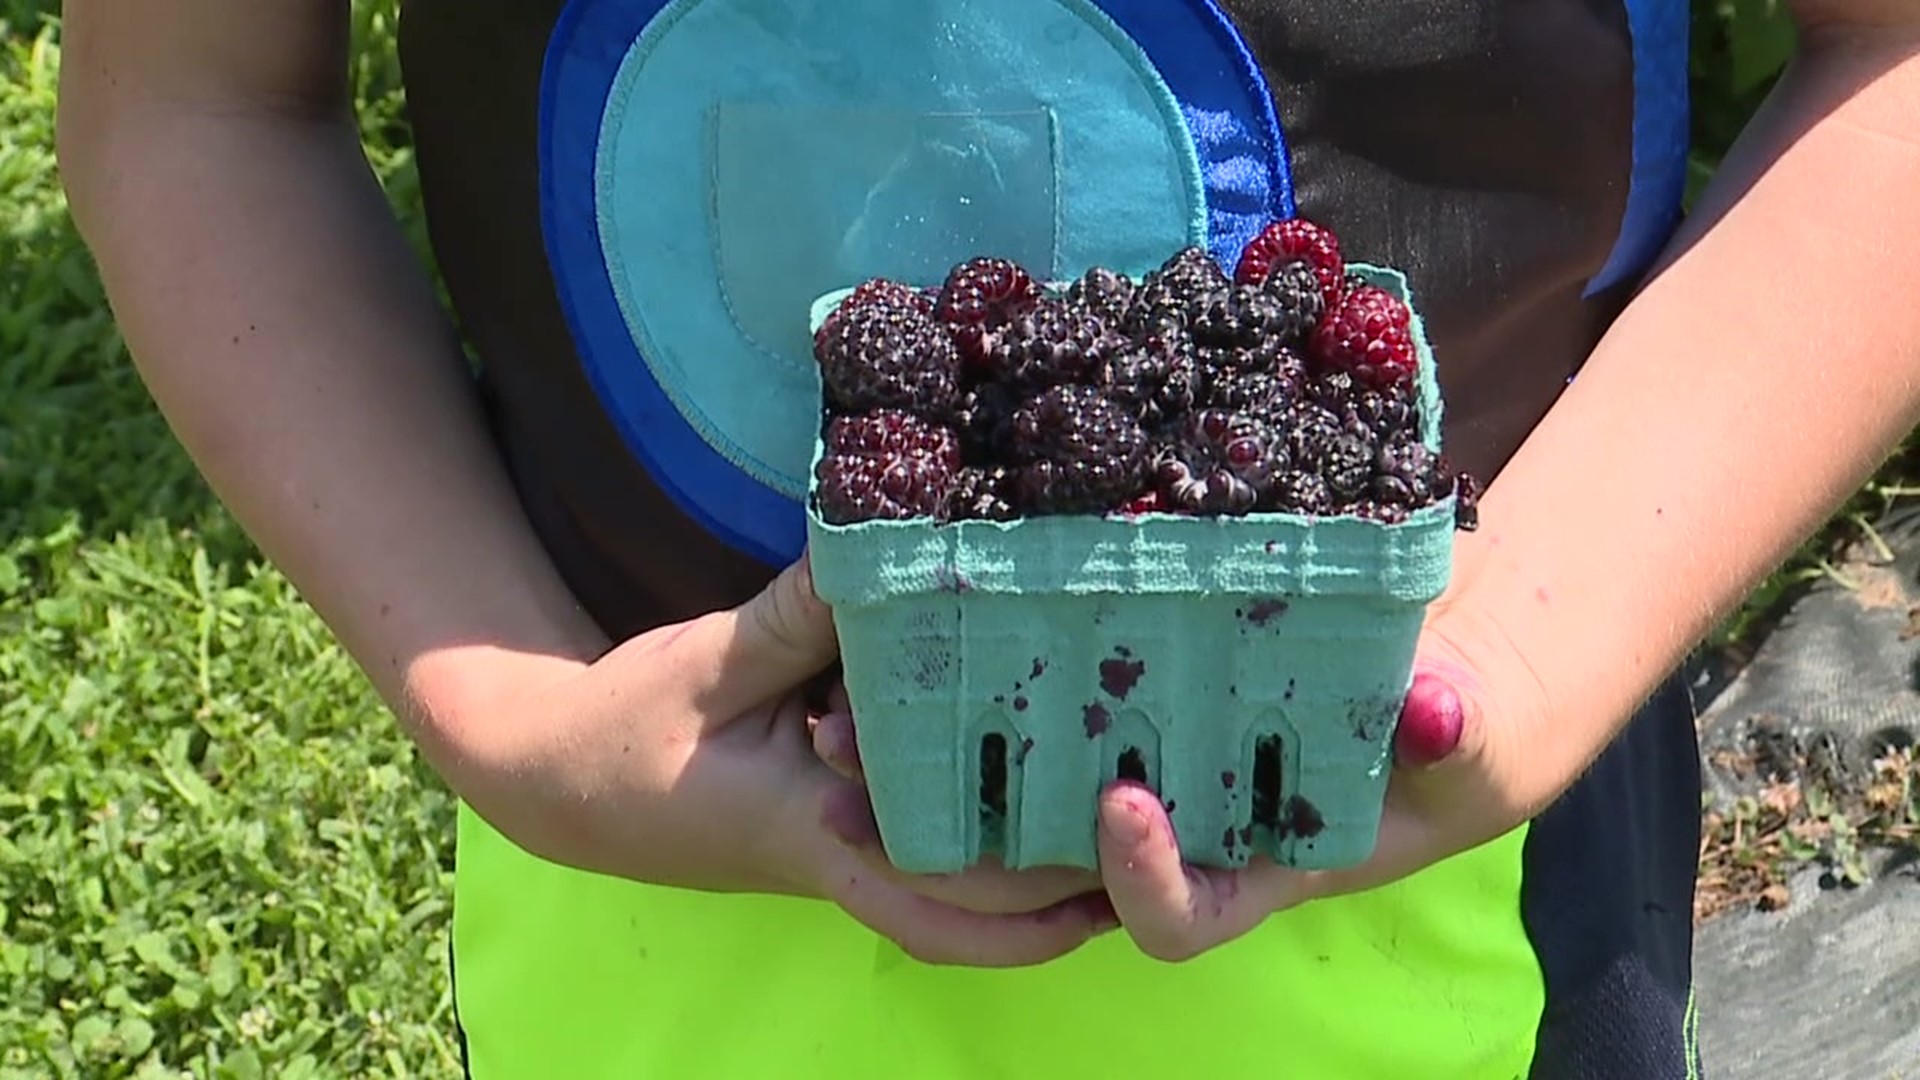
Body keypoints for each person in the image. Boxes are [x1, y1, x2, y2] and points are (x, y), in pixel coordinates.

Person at [53, 0, 1920, 1076]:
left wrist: (1515, 662)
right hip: (656, 898)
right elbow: (202, 98)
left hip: (1433, 897)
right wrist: (511, 708)